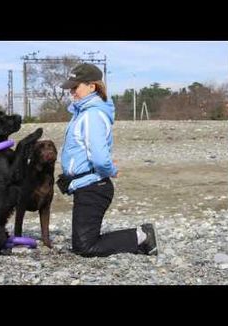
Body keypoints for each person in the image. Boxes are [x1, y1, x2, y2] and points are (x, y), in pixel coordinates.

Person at [58, 63, 159, 257]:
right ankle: (138, 237)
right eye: (71, 88)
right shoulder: (83, 113)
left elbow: (99, 157)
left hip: (94, 187)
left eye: (75, 87)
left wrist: (111, 170)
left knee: (85, 247)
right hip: (85, 185)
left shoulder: (92, 115)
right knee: (83, 243)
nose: (72, 92)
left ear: (91, 86)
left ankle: (142, 236)